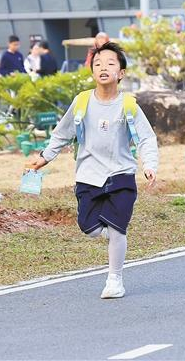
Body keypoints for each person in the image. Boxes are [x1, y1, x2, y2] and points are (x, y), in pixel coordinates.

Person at [30, 42, 158, 299]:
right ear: (92, 71)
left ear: (121, 73)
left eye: (111, 63)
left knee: (119, 229)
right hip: (88, 175)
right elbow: (63, 132)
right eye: (98, 64)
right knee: (88, 227)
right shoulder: (82, 101)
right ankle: (113, 234)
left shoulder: (129, 105)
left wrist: (149, 165)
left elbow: (146, 138)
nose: (103, 67)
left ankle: (114, 279)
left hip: (121, 174)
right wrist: (46, 156)